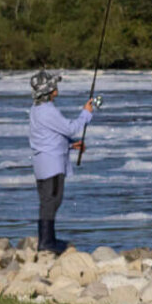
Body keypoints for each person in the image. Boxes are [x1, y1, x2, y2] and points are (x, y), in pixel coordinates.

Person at [27, 69, 96, 254]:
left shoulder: (36, 110)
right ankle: (46, 243)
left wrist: (71, 146)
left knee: (48, 202)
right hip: (52, 166)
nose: (57, 86)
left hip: (43, 165)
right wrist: (86, 113)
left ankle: (47, 239)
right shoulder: (48, 111)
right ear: (48, 90)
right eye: (54, 84)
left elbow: (49, 136)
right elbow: (70, 128)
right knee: (52, 202)